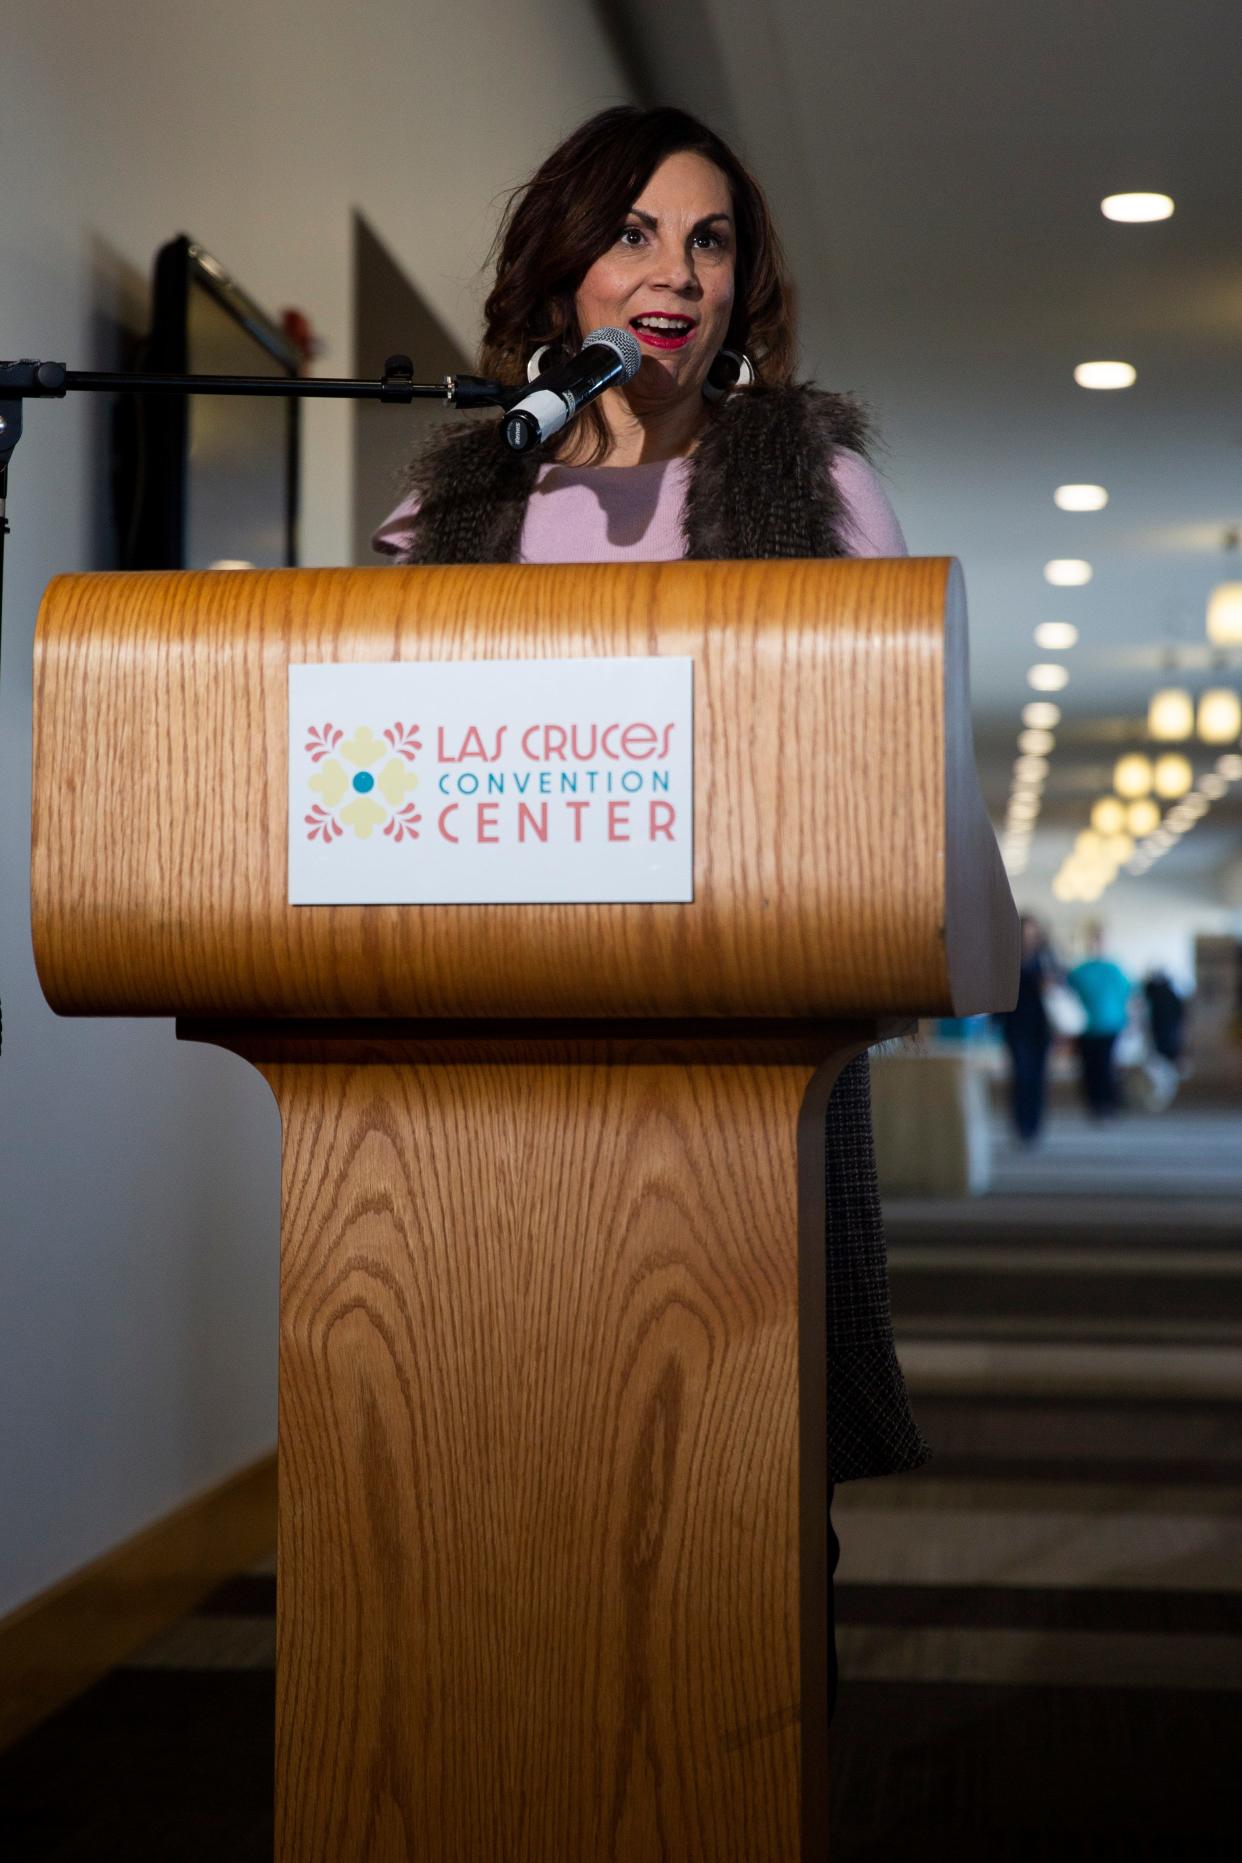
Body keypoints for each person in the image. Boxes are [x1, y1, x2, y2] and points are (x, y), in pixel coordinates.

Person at [374, 104, 928, 1718]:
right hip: (477, 1090)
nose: (672, 273)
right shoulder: (455, 507)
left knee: (736, 1533)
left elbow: (877, 780)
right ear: (559, 273)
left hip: (742, 1086)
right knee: (488, 1504)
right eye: (630, 233)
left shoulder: (813, 487)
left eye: (708, 238)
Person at [995, 913, 1056, 1143]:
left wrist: (1049, 984)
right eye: (1025, 932)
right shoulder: (1008, 957)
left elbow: (1061, 982)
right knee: (1021, 1075)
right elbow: (999, 990)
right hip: (1016, 1024)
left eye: (1033, 932)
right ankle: (1021, 1125)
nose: (1029, 937)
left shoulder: (1047, 957)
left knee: (1038, 1076)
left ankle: (1034, 1126)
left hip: (1042, 1026)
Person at [1068, 925, 1132, 1117]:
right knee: (1089, 1066)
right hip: (1086, 1027)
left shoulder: (1113, 969)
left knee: (1105, 1065)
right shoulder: (1081, 971)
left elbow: (1127, 993)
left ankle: (1107, 1102)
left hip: (1109, 1025)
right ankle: (1095, 1102)